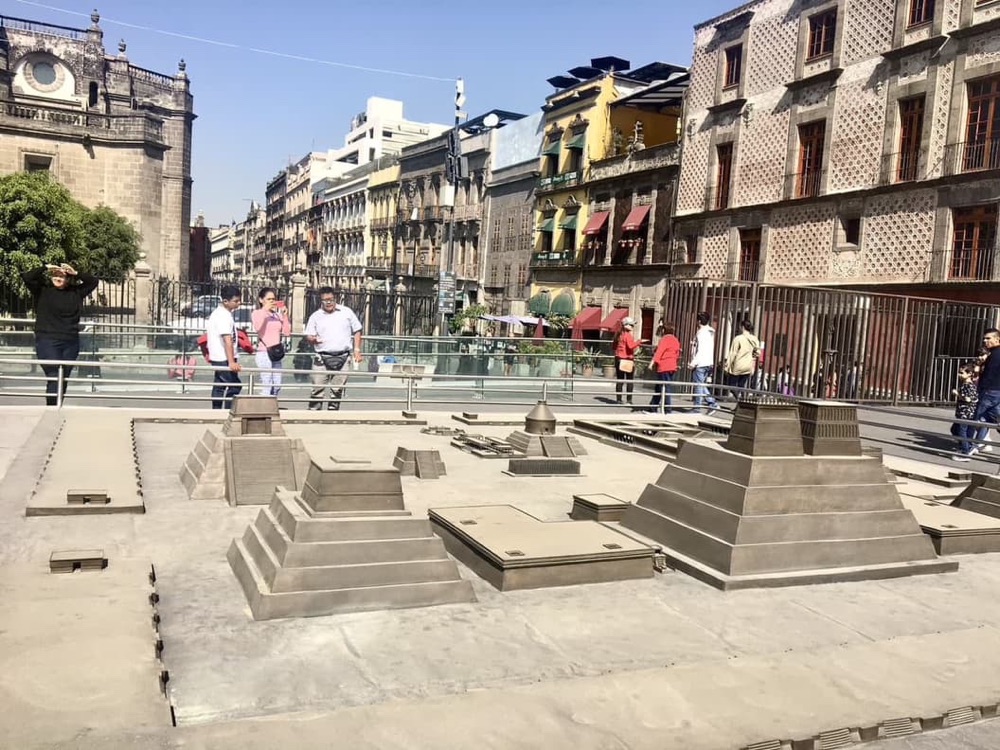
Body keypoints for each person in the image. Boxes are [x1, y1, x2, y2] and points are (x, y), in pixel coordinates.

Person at [21, 262, 99, 406]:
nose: (58, 278)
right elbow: (27, 277)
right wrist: (45, 267)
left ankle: (57, 406)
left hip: (70, 341)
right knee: (54, 374)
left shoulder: (76, 292)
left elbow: (93, 281)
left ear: (68, 279)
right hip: (47, 340)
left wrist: (76, 273)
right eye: (55, 275)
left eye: (61, 276)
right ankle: (52, 408)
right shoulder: (43, 290)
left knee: (63, 377)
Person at [305, 287, 363, 411]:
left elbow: (357, 329)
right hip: (322, 357)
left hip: (343, 356)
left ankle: (333, 413)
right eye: (325, 300)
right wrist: (313, 340)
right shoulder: (315, 316)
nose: (328, 302)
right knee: (317, 389)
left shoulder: (346, 312)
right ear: (321, 300)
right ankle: (313, 414)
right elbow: (309, 335)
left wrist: (357, 350)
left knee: (337, 390)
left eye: (331, 299)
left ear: (335, 298)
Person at [205, 286, 243, 410]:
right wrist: (231, 362)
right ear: (226, 301)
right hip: (223, 357)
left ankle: (216, 410)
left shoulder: (222, 314)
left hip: (221, 356)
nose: (239, 303)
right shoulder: (223, 316)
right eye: (236, 301)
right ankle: (227, 410)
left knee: (220, 385)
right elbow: (227, 339)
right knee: (234, 385)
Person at [251, 287, 291, 397]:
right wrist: (265, 310)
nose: (272, 301)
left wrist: (285, 315)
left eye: (273, 299)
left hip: (276, 352)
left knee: (277, 384)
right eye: (268, 299)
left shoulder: (277, 315)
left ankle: (272, 401)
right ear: (261, 300)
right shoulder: (257, 313)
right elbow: (258, 327)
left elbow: (287, 332)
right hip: (264, 352)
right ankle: (264, 404)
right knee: (267, 383)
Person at [973, 329, 1000, 452]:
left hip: (990, 391)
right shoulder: (992, 353)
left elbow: (989, 374)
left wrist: (981, 389)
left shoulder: (995, 355)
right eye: (984, 338)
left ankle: (971, 447)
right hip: (995, 391)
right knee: (988, 418)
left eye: (988, 338)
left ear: (997, 339)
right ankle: (981, 443)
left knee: (978, 418)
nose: (985, 341)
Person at [649, 322, 681, 413]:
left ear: (664, 330)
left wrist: (652, 363)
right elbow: (677, 353)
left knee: (664, 388)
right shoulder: (676, 340)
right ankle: (653, 407)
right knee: (661, 387)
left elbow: (659, 352)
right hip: (672, 366)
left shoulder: (664, 339)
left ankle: (667, 409)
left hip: (664, 366)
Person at [724, 319, 761, 397]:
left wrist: (728, 365)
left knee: (731, 385)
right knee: (741, 385)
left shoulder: (738, 338)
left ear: (742, 327)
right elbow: (758, 352)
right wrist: (752, 358)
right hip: (748, 365)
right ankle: (740, 400)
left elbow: (733, 353)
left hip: (738, 364)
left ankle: (738, 398)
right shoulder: (754, 339)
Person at [689, 311, 717, 413]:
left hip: (700, 363)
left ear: (699, 321)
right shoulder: (710, 332)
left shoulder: (701, 333)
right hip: (708, 362)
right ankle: (712, 403)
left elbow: (700, 350)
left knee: (698, 385)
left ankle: (698, 407)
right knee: (701, 384)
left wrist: (693, 363)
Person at [952, 362, 980, 461]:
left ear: (969, 374)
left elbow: (968, 399)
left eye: (962, 373)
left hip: (966, 413)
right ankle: (965, 446)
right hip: (962, 412)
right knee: (955, 429)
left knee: (961, 431)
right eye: (959, 373)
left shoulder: (969, 386)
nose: (959, 375)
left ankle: (965, 451)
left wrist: (957, 394)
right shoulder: (965, 385)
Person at [612, 316, 642, 406]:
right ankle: (629, 400)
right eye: (631, 325)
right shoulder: (628, 335)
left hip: (618, 358)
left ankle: (618, 400)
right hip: (627, 359)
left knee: (620, 380)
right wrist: (639, 342)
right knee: (629, 380)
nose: (633, 327)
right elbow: (631, 346)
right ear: (626, 325)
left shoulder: (618, 335)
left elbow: (613, 347)